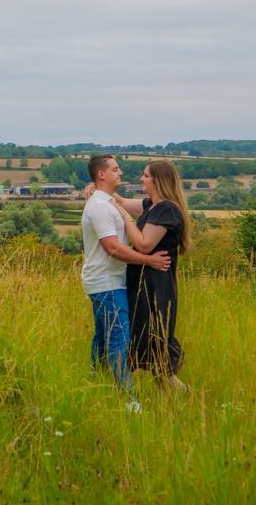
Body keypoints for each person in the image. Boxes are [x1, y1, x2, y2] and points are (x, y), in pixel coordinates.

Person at [80, 155, 171, 401]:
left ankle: (95, 387)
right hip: (107, 283)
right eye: (115, 169)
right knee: (119, 341)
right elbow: (113, 248)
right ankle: (131, 401)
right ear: (102, 174)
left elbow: (133, 206)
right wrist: (149, 260)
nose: (120, 172)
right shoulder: (100, 207)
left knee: (103, 338)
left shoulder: (107, 202)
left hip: (106, 282)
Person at [108, 160, 191, 392]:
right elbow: (121, 201)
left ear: (157, 180)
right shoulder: (152, 205)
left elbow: (144, 245)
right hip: (145, 282)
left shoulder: (166, 209)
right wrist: (97, 188)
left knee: (152, 341)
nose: (141, 179)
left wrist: (126, 218)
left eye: (145, 175)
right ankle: (175, 398)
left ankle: (181, 396)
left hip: (155, 286)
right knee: (149, 346)